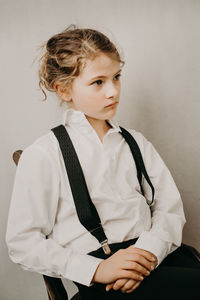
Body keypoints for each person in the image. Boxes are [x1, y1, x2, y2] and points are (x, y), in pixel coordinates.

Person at [6, 25, 200, 300]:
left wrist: (147, 254)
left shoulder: (136, 142)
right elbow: (23, 243)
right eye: (98, 82)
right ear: (64, 90)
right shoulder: (45, 154)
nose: (113, 91)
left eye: (117, 77)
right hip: (101, 278)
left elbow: (169, 210)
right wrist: (96, 269)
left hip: (157, 258)